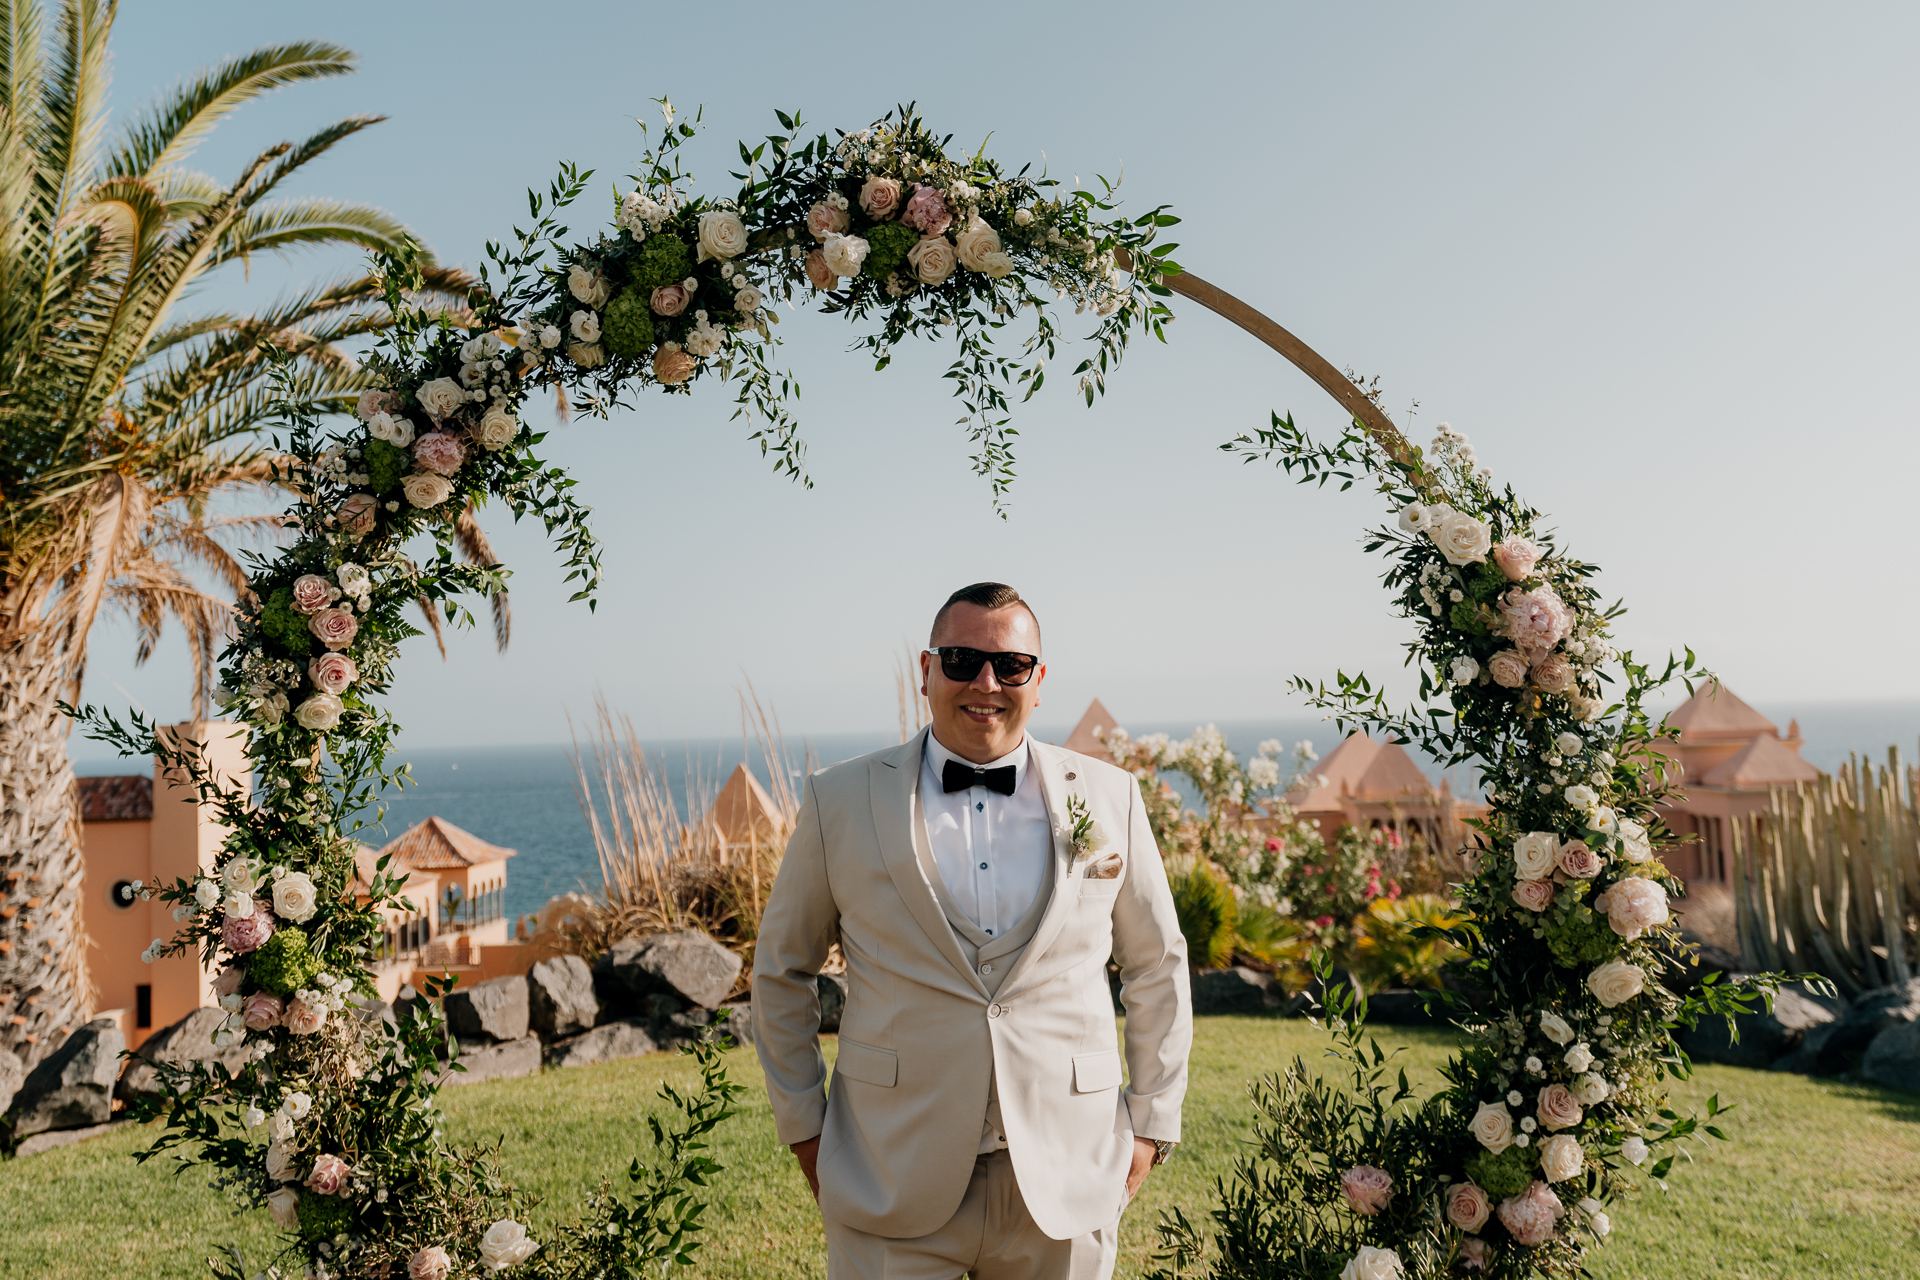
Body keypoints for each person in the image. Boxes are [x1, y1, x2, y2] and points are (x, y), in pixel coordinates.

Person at [752, 582, 1193, 1280]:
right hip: (889, 1173)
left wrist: (1152, 1122)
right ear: (924, 671)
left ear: (1038, 681)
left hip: (1068, 1174)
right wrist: (806, 1131)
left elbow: (1156, 965)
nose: (985, 681)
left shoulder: (1110, 797)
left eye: (1011, 665)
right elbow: (782, 969)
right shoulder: (839, 800)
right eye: (960, 660)